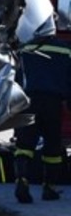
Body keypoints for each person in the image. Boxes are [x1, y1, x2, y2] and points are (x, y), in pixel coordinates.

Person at [14, 15, 71, 203]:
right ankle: (49, 188)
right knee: (52, 146)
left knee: (24, 145)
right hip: (53, 103)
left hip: (28, 101)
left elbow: (16, 78)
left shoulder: (24, 49)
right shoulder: (65, 50)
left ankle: (22, 179)